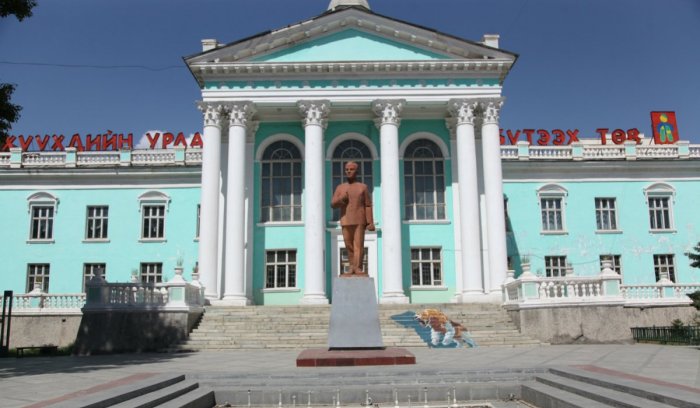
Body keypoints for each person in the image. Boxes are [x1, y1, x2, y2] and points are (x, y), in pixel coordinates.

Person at [331, 161, 375, 276]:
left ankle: (358, 267)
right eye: (347, 170)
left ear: (357, 171)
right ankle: (351, 266)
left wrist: (370, 222)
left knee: (358, 245)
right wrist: (342, 199)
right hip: (345, 220)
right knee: (348, 245)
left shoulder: (362, 187)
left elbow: (368, 205)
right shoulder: (340, 188)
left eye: (351, 169)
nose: (348, 171)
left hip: (359, 220)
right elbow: (333, 204)